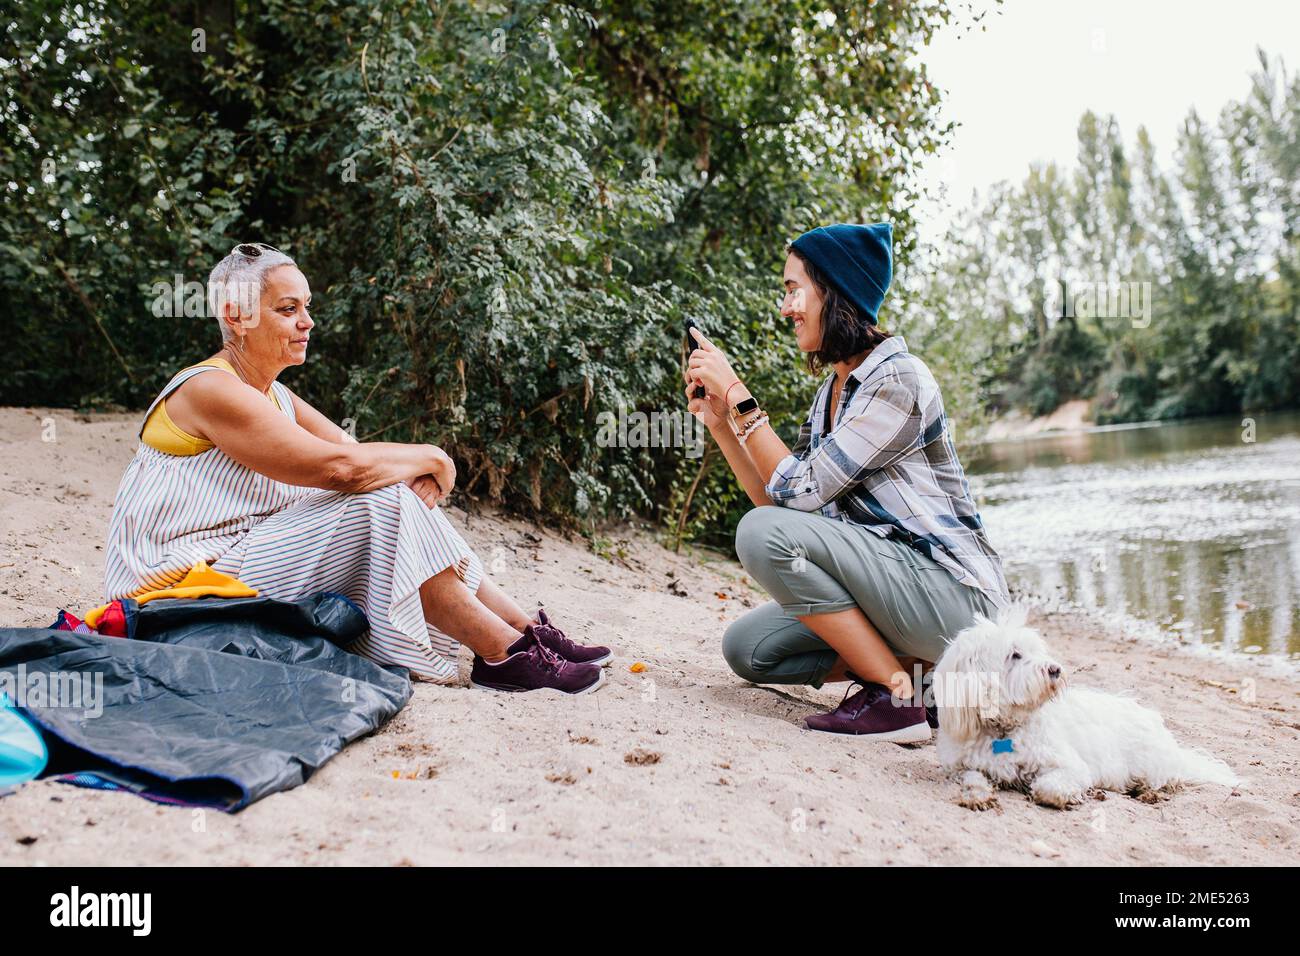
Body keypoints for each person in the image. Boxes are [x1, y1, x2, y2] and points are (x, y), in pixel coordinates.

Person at [104, 242, 611, 694]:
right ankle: (502, 652)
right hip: (173, 586)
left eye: (307, 307)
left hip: (237, 557)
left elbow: (357, 453)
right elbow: (344, 470)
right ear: (236, 317)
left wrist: (403, 473)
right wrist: (433, 457)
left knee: (390, 492)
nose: (308, 322)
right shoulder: (209, 388)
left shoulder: (274, 393)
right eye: (288, 310)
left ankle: (524, 631)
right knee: (381, 497)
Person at [684, 222, 1010, 742]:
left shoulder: (899, 379)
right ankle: (923, 685)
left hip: (959, 600)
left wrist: (741, 394)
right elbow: (782, 502)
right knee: (749, 650)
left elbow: (802, 491)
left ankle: (895, 696)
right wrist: (722, 423)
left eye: (795, 290)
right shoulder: (834, 392)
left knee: (757, 532)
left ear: (836, 292)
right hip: (899, 589)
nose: (786, 308)